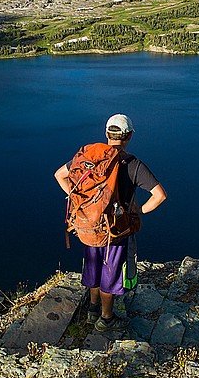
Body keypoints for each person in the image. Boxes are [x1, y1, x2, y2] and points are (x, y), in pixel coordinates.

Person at [54, 113, 167, 332]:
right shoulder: (133, 165)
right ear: (130, 136)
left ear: (106, 134)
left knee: (93, 267)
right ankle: (106, 319)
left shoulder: (90, 156)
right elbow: (160, 196)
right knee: (110, 274)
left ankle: (93, 308)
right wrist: (138, 212)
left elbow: (59, 175)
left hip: (89, 225)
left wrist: (79, 198)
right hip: (115, 231)